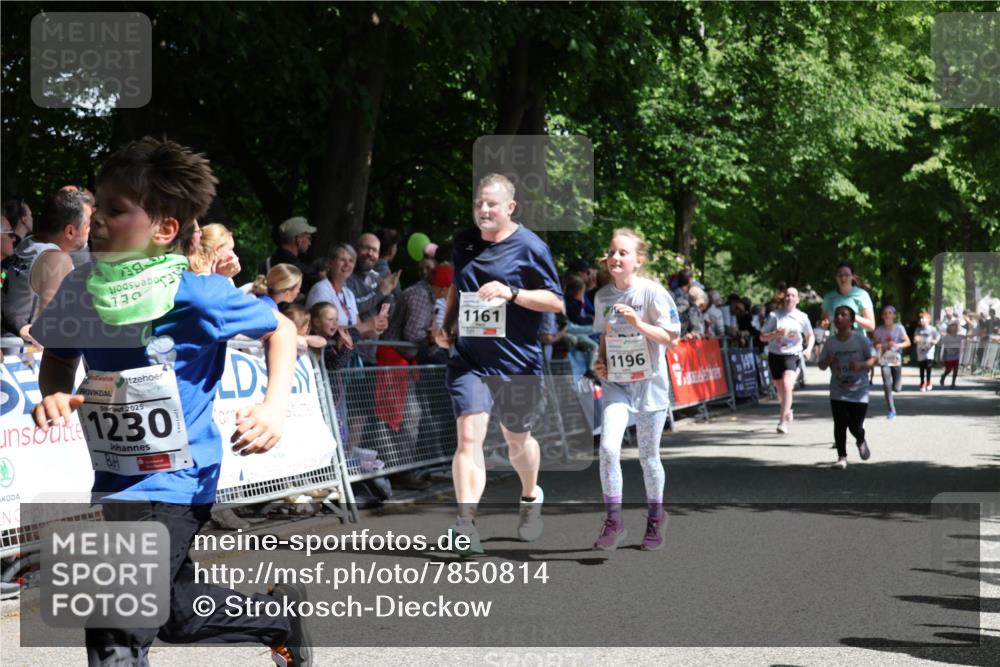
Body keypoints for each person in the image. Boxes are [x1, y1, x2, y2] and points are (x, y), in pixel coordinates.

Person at [27, 137, 309, 665]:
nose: (99, 223)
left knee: (116, 626)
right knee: (180, 615)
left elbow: (282, 330)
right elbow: (60, 358)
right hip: (117, 479)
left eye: (116, 210)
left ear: (164, 229)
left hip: (180, 479)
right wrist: (55, 394)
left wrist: (272, 409)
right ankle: (278, 620)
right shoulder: (80, 287)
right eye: (96, 210)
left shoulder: (197, 294)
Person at [435, 173, 563, 556]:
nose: (484, 210)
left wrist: (513, 292)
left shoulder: (531, 247)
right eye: (478, 204)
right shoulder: (464, 241)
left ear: (510, 207)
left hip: (517, 362)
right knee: (469, 437)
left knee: (517, 439)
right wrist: (446, 325)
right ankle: (465, 523)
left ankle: (529, 497)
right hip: (471, 358)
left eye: (491, 204)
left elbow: (555, 301)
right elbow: (459, 284)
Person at [591, 229, 680, 551]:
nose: (615, 258)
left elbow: (672, 337)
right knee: (608, 449)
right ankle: (614, 521)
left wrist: (639, 323)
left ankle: (656, 517)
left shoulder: (653, 293)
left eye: (623, 253)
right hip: (616, 384)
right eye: (612, 252)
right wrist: (600, 361)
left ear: (638, 261)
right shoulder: (602, 297)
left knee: (648, 457)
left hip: (650, 387)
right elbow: (603, 336)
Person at [1, 188, 92, 345]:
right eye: (88, 224)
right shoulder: (56, 259)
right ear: (70, 231)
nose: (90, 230)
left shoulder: (27, 243)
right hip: (33, 359)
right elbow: (57, 331)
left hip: (13, 348)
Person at [817, 305, 877, 469]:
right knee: (840, 422)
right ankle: (842, 457)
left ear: (851, 320)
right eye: (837, 315)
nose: (839, 318)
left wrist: (860, 364)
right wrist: (828, 361)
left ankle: (860, 439)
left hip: (859, 390)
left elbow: (873, 359)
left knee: (855, 425)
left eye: (843, 315)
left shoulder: (860, 340)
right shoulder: (830, 343)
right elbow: (821, 365)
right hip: (838, 390)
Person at [305, 243, 389, 345]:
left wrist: (375, 327)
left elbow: (358, 329)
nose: (347, 264)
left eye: (351, 261)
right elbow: (325, 330)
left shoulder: (348, 294)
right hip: (324, 356)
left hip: (346, 355)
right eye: (342, 260)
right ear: (330, 263)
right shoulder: (321, 289)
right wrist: (366, 326)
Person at [760, 286, 814, 433]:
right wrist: (776, 334)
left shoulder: (802, 317)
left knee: (787, 384)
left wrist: (808, 349)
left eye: (792, 296)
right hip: (775, 354)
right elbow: (762, 337)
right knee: (780, 390)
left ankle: (782, 422)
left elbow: (810, 335)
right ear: (784, 298)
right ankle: (787, 409)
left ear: (797, 299)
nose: (789, 298)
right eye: (787, 295)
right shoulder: (774, 316)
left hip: (792, 354)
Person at [872, 305, 911, 418]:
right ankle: (891, 410)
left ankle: (897, 385)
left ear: (894, 315)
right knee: (886, 384)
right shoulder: (879, 330)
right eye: (885, 313)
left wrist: (896, 345)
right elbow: (876, 344)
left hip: (896, 358)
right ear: (882, 316)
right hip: (885, 358)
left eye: (890, 313)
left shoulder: (899, 328)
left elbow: (908, 342)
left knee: (896, 388)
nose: (887, 315)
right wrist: (882, 345)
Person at [821, 261, 876, 332]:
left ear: (853, 277)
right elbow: (823, 323)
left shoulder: (862, 295)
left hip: (857, 340)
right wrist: (824, 324)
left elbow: (871, 326)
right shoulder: (829, 297)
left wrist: (851, 316)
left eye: (847, 275)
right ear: (835, 277)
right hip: (836, 340)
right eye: (840, 275)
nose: (843, 278)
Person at [268, 216, 318, 291]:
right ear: (298, 239)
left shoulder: (273, 259)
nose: (309, 243)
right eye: (309, 238)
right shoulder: (293, 266)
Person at [913, 311, 941, 391]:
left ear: (928, 320)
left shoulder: (932, 329)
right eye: (921, 318)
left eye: (923, 318)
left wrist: (934, 341)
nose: (921, 320)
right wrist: (916, 339)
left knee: (928, 366)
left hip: (929, 351)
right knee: (922, 368)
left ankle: (928, 381)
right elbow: (915, 339)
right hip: (921, 350)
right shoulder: (918, 330)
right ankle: (922, 383)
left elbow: (937, 336)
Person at [939, 321, 964, 388]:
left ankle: (953, 383)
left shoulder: (959, 337)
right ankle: (943, 376)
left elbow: (967, 337)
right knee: (949, 370)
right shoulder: (946, 337)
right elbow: (939, 343)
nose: (954, 330)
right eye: (952, 329)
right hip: (948, 356)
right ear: (950, 330)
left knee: (955, 369)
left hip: (956, 356)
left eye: (955, 329)